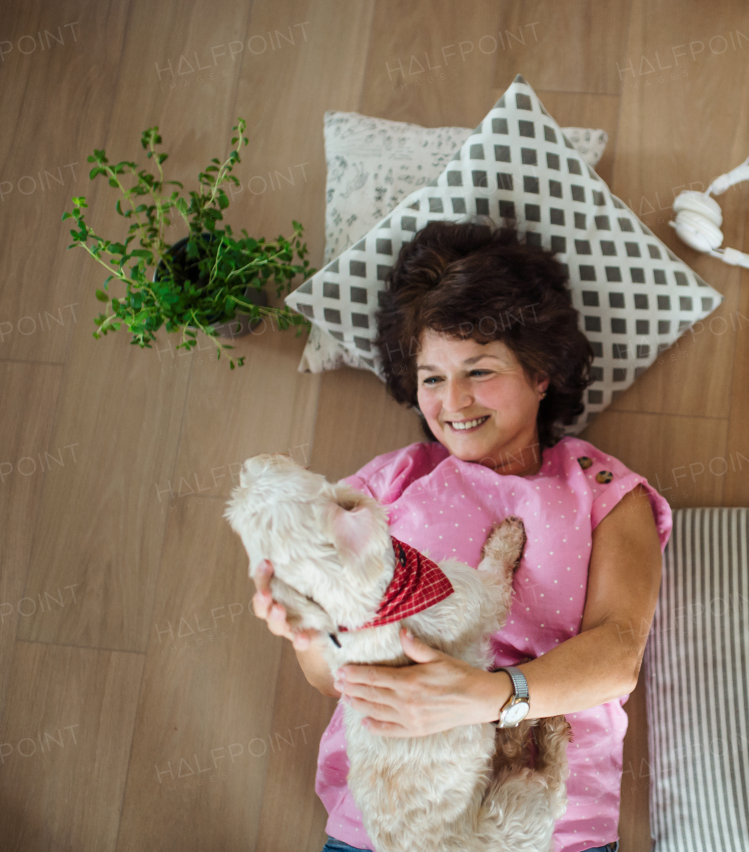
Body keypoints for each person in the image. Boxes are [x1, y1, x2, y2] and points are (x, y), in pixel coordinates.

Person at [250, 220, 672, 852]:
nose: (453, 400)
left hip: (549, 825)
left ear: (539, 373)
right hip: (393, 819)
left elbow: (617, 657)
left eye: (479, 370)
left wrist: (487, 697)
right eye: (432, 377)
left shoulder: (603, 490)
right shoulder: (380, 489)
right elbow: (333, 677)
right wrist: (308, 633)